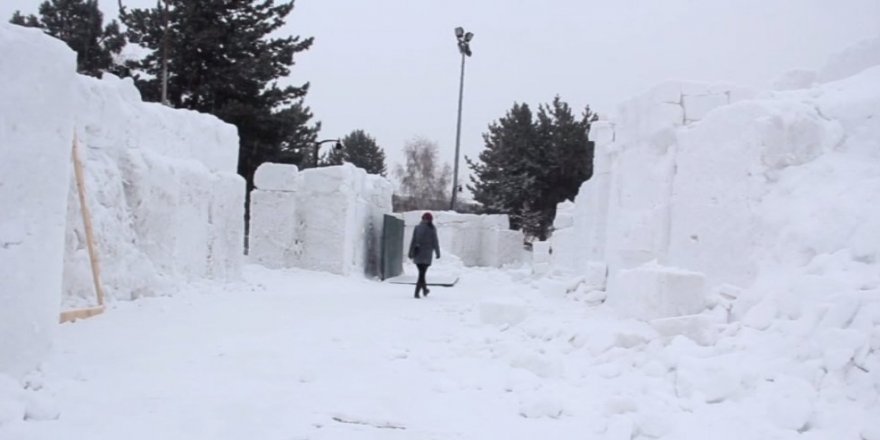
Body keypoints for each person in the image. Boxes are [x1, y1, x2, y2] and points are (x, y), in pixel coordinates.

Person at [408, 212, 440, 299]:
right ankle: (416, 293)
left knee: (421, 273)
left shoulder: (417, 227)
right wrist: (437, 253)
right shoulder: (432, 228)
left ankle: (425, 289)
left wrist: (410, 252)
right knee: (422, 274)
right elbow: (435, 241)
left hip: (418, 253)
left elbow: (413, 240)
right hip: (427, 255)